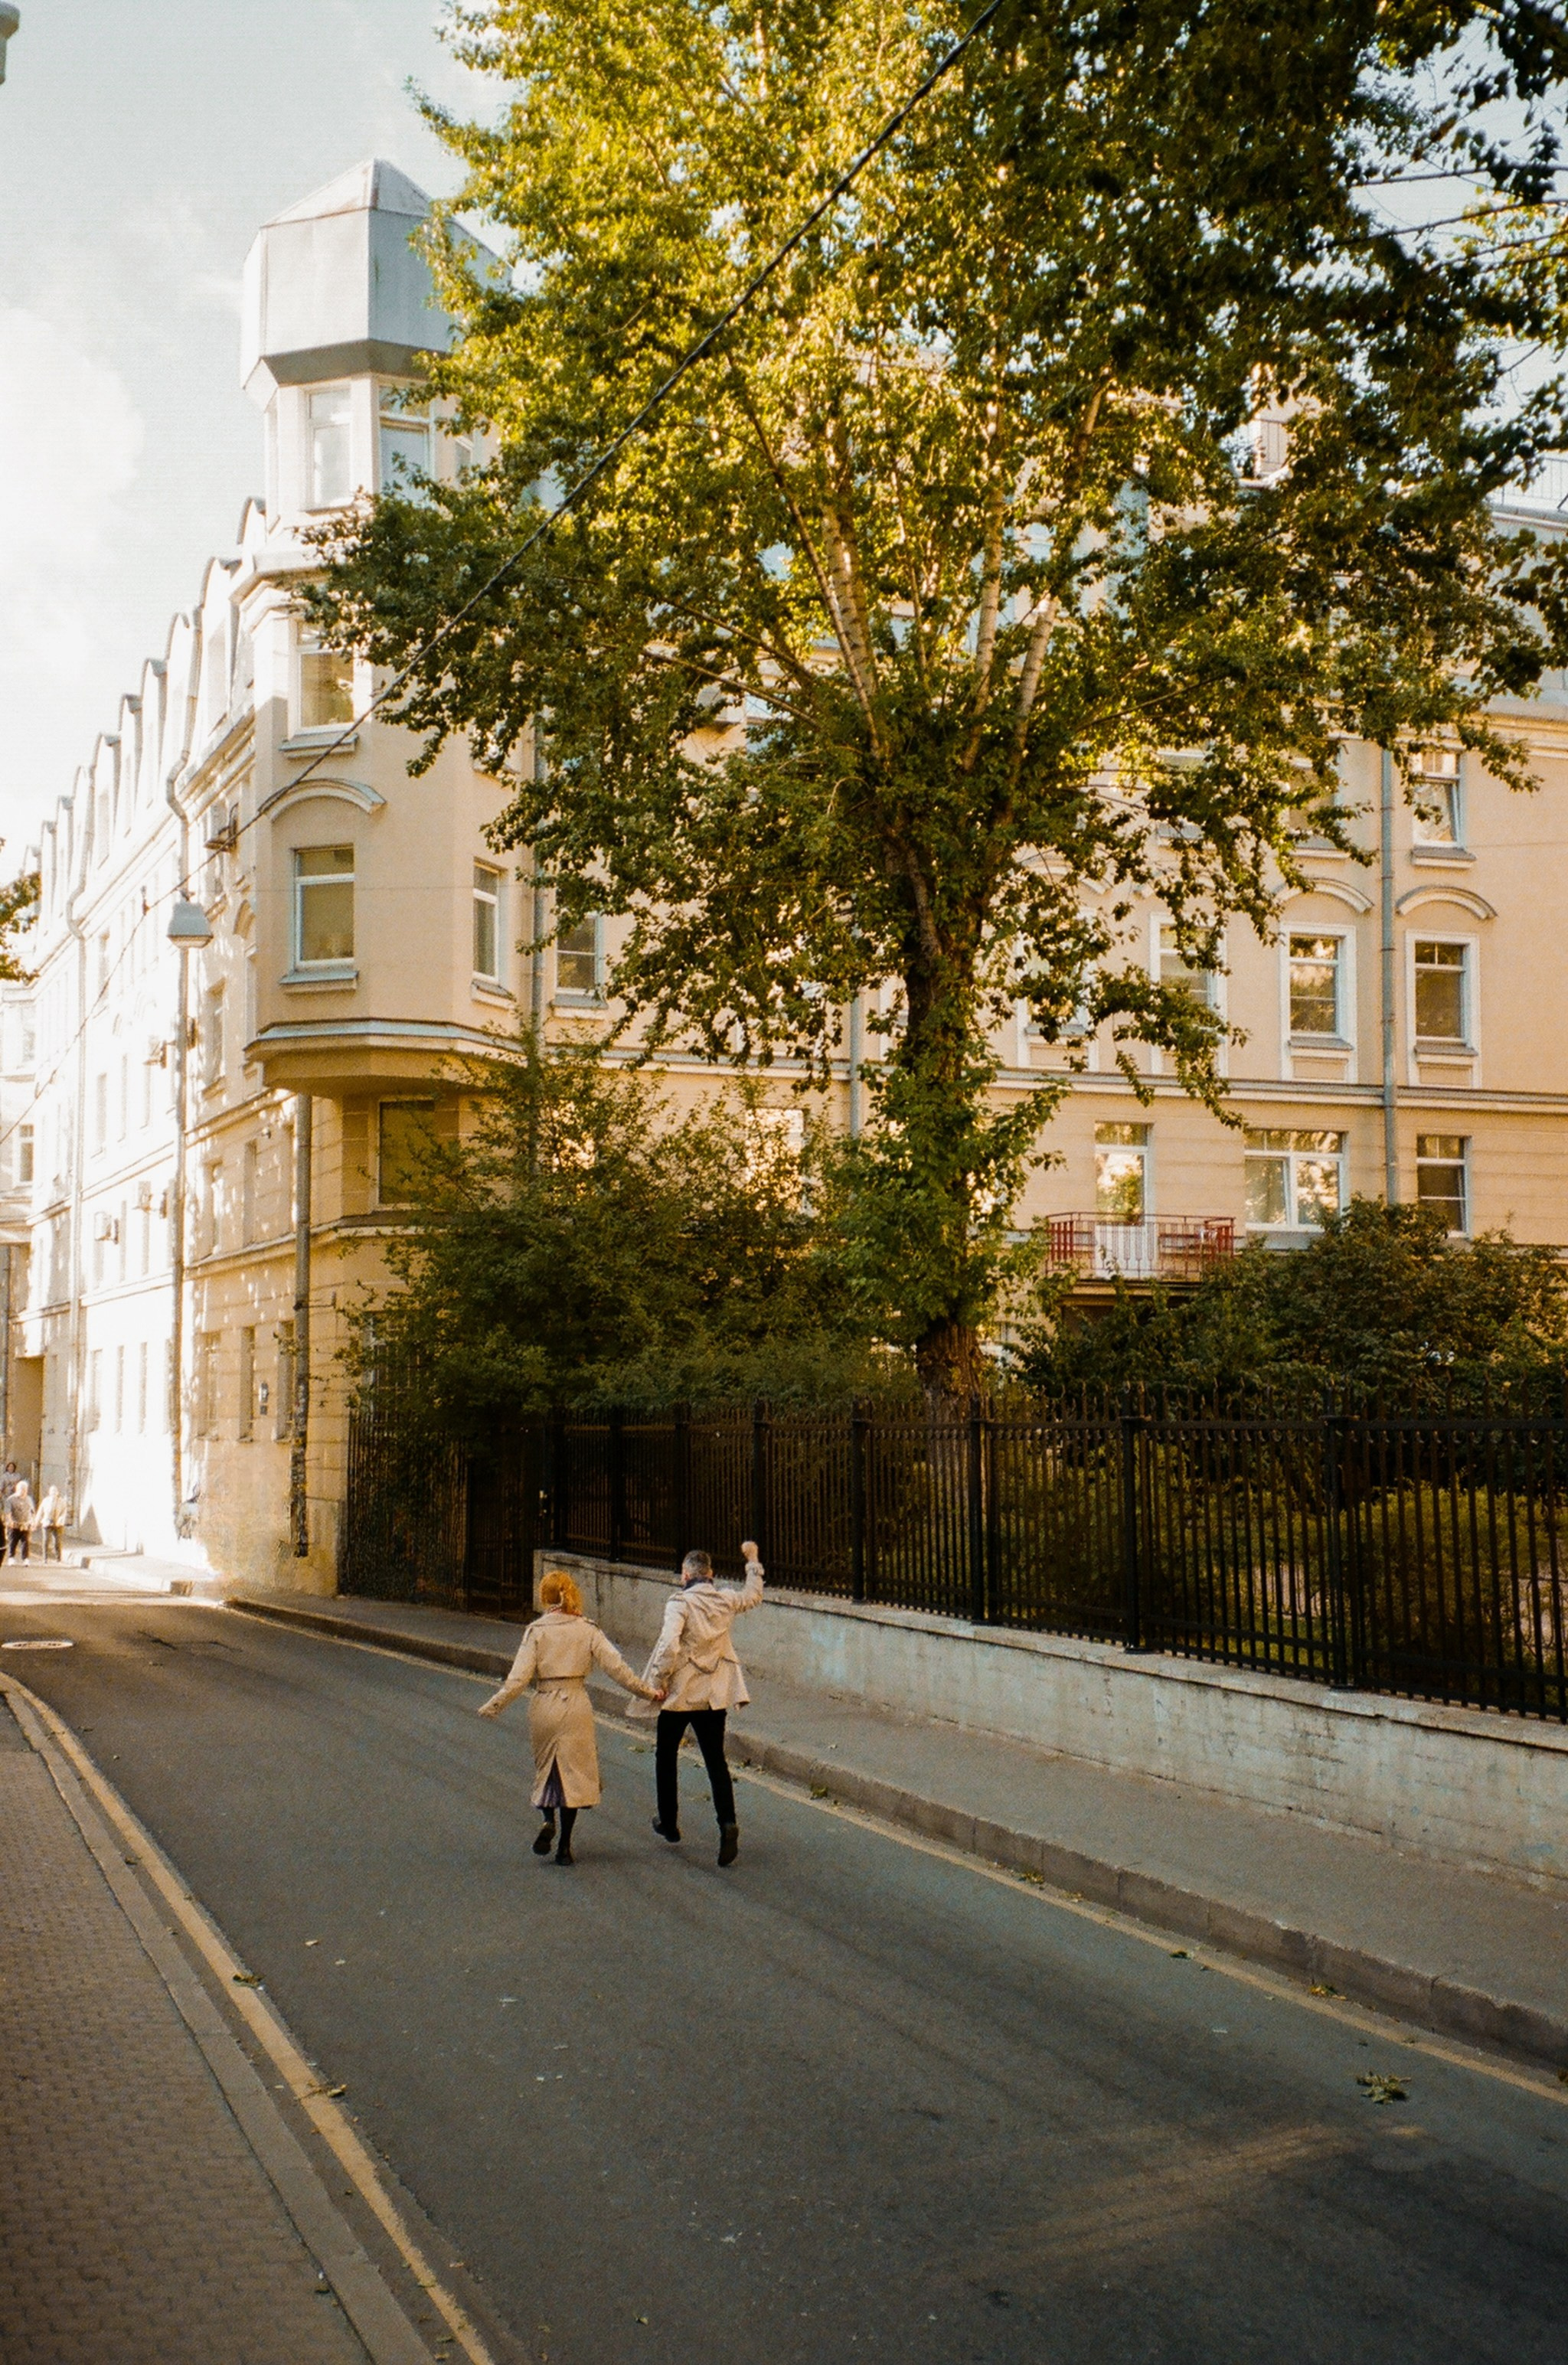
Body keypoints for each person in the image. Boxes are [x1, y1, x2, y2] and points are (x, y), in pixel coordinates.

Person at [477, 1567, 662, 1864]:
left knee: (547, 1768)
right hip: (576, 1703)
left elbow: (518, 1679)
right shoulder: (588, 1629)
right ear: (573, 1594)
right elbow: (618, 1668)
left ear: (543, 1596)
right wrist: (648, 1692)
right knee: (573, 1775)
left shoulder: (536, 1631)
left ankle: (547, 1819)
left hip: (545, 1702)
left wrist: (495, 1705)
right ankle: (565, 1846)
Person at [644, 1540, 764, 1867]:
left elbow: (669, 1644)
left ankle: (668, 1823)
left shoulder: (679, 1604)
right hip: (714, 1693)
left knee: (666, 1756)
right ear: (710, 1574)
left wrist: (657, 1682)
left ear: (685, 1574)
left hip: (680, 1694)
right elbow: (753, 1595)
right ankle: (727, 1823)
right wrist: (752, 1560)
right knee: (715, 1761)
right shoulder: (725, 1599)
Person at [34, 1487, 67, 1562]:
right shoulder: (46, 1501)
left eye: (55, 1492)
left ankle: (58, 1558)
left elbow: (64, 1512)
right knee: (46, 1540)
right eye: (52, 1492)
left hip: (58, 1524)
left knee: (57, 1541)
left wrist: (61, 1519)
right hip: (47, 1522)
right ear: (49, 1493)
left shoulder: (62, 1502)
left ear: (58, 1493)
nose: (54, 1493)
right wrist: (36, 1522)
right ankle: (45, 1558)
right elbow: (40, 1512)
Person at [5, 1480, 34, 1562]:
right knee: (13, 1541)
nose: (23, 1491)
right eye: (21, 1489)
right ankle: (11, 1557)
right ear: (17, 1489)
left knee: (26, 1542)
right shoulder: (11, 1499)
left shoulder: (29, 1499)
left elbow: (32, 1511)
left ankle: (25, 1558)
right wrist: (10, 1521)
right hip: (14, 1524)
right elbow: (8, 1512)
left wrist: (32, 1521)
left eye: (25, 1489)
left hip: (25, 1524)